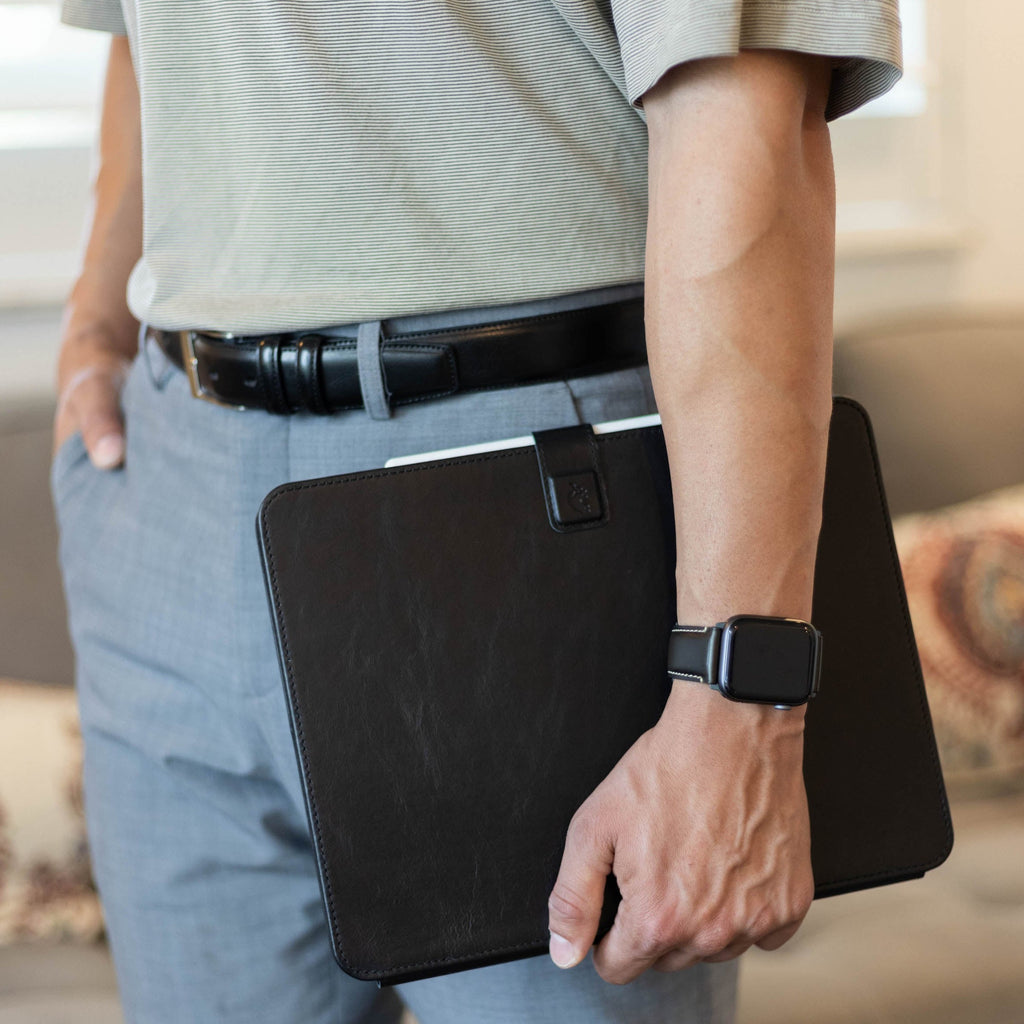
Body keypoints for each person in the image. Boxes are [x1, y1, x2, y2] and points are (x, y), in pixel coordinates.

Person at [51, 2, 902, 1021]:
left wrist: (740, 697)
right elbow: (146, 38)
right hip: (175, 476)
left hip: (520, 491)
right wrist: (94, 328)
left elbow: (748, 118)